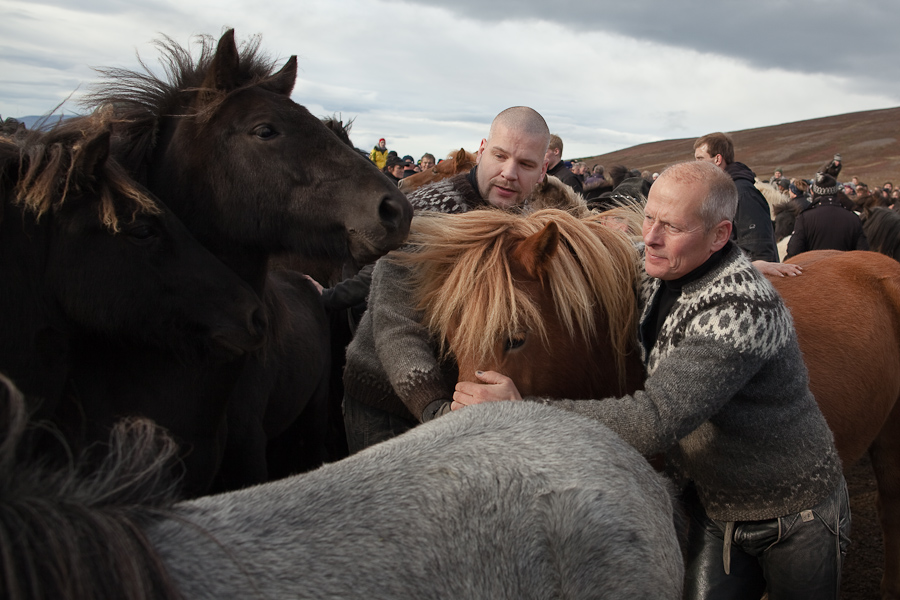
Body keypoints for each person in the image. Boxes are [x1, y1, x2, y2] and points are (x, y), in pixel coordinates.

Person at [453, 160, 850, 600]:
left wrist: (523, 409)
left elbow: (656, 420)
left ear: (719, 235)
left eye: (672, 226)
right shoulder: (662, 265)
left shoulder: (741, 313)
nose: (651, 238)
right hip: (714, 505)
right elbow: (613, 252)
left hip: (794, 515)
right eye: (649, 218)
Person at [341, 106, 551, 452]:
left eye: (526, 164)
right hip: (387, 403)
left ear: (543, 170)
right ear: (482, 150)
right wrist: (437, 410)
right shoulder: (427, 212)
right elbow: (396, 323)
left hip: (464, 408)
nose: (509, 173)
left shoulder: (525, 225)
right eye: (500, 156)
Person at [693, 132, 779, 263]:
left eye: (700, 159)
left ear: (717, 159)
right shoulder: (720, 191)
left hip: (744, 277)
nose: (696, 165)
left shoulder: (742, 192)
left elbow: (758, 248)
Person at [786, 172, 869, 259]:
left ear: (813, 192)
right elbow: (863, 254)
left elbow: (793, 251)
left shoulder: (805, 218)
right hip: (844, 270)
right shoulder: (853, 218)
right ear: (836, 192)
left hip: (814, 270)